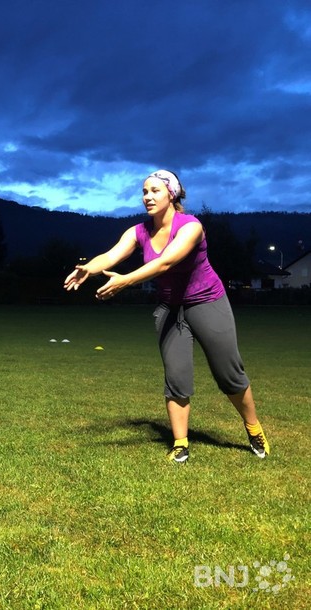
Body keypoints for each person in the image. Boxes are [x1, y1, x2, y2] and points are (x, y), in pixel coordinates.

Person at [63, 169, 270, 464]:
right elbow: (111, 256)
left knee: (229, 375)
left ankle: (253, 429)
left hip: (207, 302)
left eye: (154, 191)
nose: (147, 196)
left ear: (171, 194)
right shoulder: (139, 231)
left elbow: (166, 262)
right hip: (170, 308)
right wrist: (89, 269)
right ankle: (180, 443)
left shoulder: (191, 227)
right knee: (176, 376)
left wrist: (126, 281)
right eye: (144, 191)